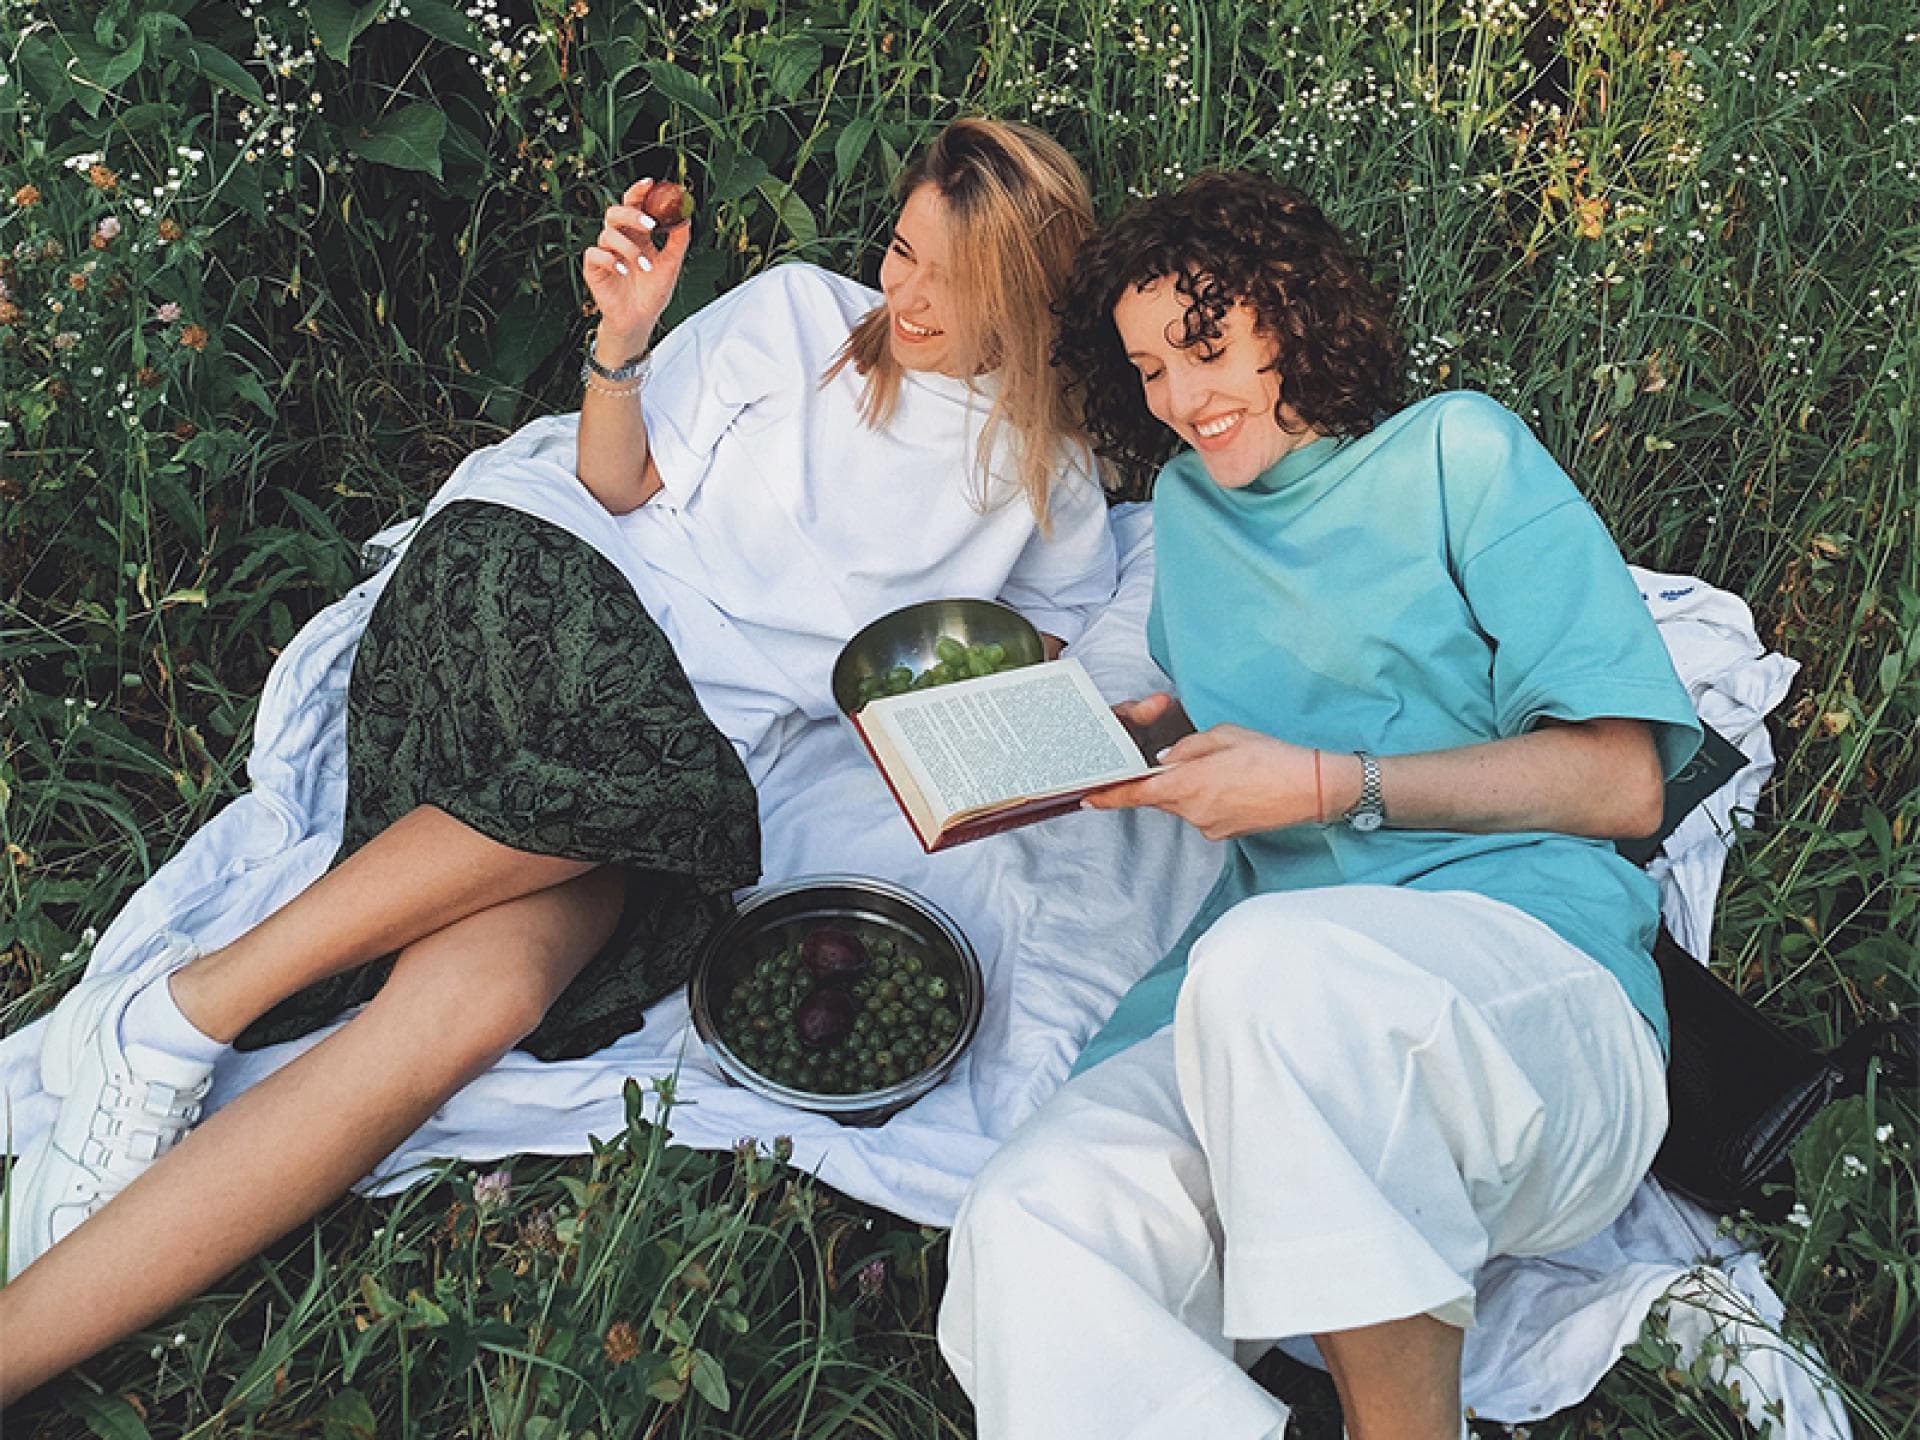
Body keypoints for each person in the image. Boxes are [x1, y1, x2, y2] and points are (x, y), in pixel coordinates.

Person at [0, 116, 1115, 1402]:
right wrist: (624, 341)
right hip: (552, 581)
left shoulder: (1045, 481)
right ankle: (185, 1013)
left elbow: (1067, 642)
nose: (908, 295)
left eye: (955, 279)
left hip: (662, 766)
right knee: (654, 786)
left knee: (475, 1012)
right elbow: (615, 480)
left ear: (1026, 297)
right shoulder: (803, 318)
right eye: (904, 251)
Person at [937, 171, 1702, 1440]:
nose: (1183, 401)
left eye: (1207, 346)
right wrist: (1128, 741)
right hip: (1266, 1038)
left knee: (1268, 968)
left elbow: (1625, 781)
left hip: (1527, 1004)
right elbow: (1245, 704)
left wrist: (1329, 787)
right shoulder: (1187, 513)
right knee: (1028, 1216)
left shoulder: (1457, 451)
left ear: (1291, 315)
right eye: (1149, 372)